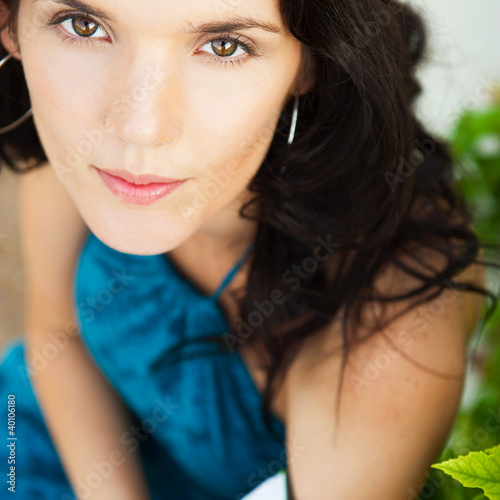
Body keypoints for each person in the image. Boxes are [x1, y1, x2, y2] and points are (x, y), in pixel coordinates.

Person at [0, 0, 497, 499]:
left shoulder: (391, 325)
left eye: (224, 46)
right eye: (84, 27)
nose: (138, 130)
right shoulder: (77, 141)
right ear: (9, 22)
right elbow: (55, 337)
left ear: (311, 58)